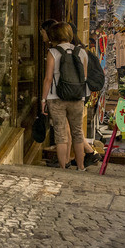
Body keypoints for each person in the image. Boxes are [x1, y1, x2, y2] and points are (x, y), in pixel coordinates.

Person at [42, 22, 89, 171]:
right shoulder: (81, 52)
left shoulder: (53, 52)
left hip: (56, 97)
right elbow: (84, 77)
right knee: (77, 132)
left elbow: (48, 78)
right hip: (77, 97)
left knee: (60, 133)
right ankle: (81, 167)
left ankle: (63, 168)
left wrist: (43, 99)